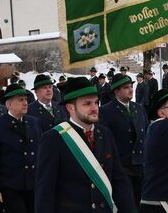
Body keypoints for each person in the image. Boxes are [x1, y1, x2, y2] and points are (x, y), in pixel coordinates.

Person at [34, 77, 136, 213]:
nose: (94, 108)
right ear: (70, 108)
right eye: (87, 104)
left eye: (96, 102)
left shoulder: (105, 133)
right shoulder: (53, 138)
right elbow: (45, 190)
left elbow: (118, 179)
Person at [0, 84, 41, 213]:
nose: (25, 103)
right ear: (9, 104)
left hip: (33, 184)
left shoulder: (33, 122)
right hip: (10, 186)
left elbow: (40, 154)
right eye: (20, 100)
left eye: (25, 99)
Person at [99, 74, 149, 205]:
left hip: (141, 166)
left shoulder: (139, 108)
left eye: (131, 86)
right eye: (126, 87)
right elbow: (104, 142)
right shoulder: (105, 111)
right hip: (121, 168)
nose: (131, 90)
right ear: (116, 91)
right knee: (127, 205)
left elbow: (146, 134)